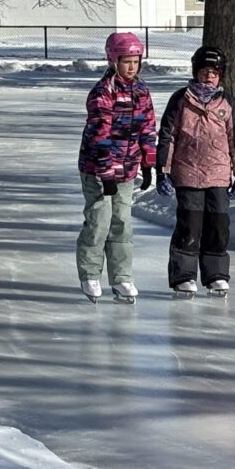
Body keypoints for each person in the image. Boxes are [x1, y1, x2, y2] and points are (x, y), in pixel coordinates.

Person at [155, 45, 235, 298]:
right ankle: (183, 276)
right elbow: (168, 137)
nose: (209, 77)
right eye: (205, 72)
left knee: (218, 226)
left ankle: (216, 275)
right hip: (187, 173)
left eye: (214, 73)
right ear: (196, 72)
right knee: (190, 226)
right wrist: (162, 170)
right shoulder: (181, 100)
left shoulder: (227, 103)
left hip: (218, 175)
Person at [76, 32, 157, 304]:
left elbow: (148, 128)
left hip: (127, 168)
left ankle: (122, 277)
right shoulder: (103, 92)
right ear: (113, 61)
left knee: (122, 223)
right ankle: (90, 274)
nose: (132, 67)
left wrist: (148, 162)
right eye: (126, 62)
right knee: (99, 221)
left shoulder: (141, 90)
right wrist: (106, 173)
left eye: (136, 61)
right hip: (97, 169)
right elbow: (100, 136)